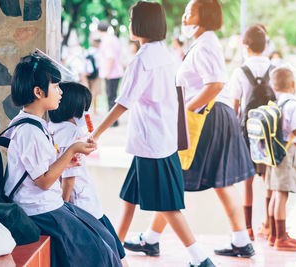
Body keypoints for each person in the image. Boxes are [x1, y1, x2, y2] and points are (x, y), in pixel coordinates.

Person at [124, 0, 256, 259]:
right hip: (213, 115)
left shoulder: (206, 44)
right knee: (213, 181)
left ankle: (153, 240)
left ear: (204, 15)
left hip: (206, 117)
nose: (184, 17)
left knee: (174, 176)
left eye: (190, 12)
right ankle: (240, 240)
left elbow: (215, 84)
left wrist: (184, 112)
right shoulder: (205, 42)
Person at [92, 2, 214, 266]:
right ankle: (115, 250)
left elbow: (123, 102)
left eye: (132, 17)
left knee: (168, 206)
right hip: (160, 140)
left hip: (151, 144)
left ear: (140, 24)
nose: (129, 21)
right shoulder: (166, 54)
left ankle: (201, 259)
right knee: (128, 198)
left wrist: (96, 133)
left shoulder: (142, 59)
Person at [4, 54, 122, 267]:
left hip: (48, 205)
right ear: (38, 92)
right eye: (56, 86)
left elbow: (37, 171)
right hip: (41, 211)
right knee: (100, 251)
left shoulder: (31, 124)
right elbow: (44, 182)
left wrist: (66, 163)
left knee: (103, 237)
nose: (60, 92)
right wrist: (70, 151)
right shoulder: (30, 131)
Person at [48, 81, 127, 263]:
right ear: (74, 107)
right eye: (84, 108)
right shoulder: (73, 132)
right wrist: (64, 210)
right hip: (85, 207)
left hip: (77, 204)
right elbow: (69, 178)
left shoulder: (52, 128)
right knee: (114, 252)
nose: (86, 112)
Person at [231, 25, 273, 241]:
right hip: (269, 133)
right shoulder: (274, 68)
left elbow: (235, 107)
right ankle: (269, 225)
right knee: (268, 179)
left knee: (247, 181)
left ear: (245, 46)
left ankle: (248, 228)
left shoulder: (240, 71)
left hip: (247, 133)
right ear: (265, 45)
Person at [265, 67, 296, 251]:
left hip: (274, 152)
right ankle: (282, 238)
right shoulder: (294, 104)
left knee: (276, 192)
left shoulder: (276, 103)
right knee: (282, 194)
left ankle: (274, 234)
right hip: (287, 151)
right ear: (293, 85)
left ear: (274, 87)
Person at [98, 20, 124, 126]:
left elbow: (110, 57)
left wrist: (108, 72)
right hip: (115, 72)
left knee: (111, 97)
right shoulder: (113, 38)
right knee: (112, 96)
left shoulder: (106, 40)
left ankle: (113, 121)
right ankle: (114, 120)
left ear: (99, 30)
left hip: (111, 73)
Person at [85, 39, 102, 115]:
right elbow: (100, 64)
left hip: (87, 74)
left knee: (87, 91)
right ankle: (94, 110)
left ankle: (86, 109)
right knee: (94, 93)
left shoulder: (88, 51)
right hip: (96, 74)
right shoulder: (99, 52)